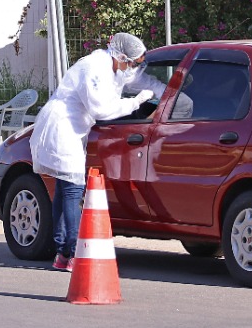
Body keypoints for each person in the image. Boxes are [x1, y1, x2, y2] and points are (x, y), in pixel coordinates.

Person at [30, 32, 163, 272]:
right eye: (131, 63)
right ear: (121, 56)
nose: (132, 68)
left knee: (63, 190)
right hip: (62, 128)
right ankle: (73, 253)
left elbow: (141, 81)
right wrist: (136, 102)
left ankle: (62, 253)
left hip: (73, 128)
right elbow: (101, 109)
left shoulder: (115, 67)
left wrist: (166, 91)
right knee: (72, 190)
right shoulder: (93, 67)